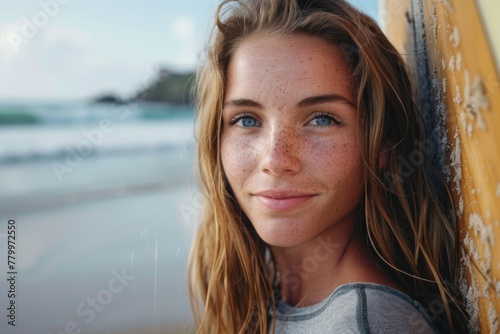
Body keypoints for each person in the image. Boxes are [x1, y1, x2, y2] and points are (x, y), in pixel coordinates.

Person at [188, 0, 468, 333]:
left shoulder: (368, 324)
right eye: (246, 119)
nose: (276, 161)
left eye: (321, 119)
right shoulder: (276, 299)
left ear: (381, 145)